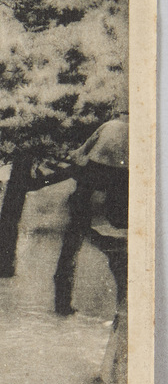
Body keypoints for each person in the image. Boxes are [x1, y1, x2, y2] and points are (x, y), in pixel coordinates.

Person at [53, 113, 128, 315]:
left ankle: (62, 304)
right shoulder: (135, 128)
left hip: (93, 179)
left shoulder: (108, 125)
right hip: (119, 181)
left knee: (73, 240)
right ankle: (122, 308)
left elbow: (80, 153)